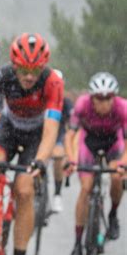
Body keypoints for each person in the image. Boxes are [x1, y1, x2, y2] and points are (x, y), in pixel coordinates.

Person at [0, 32, 64, 255]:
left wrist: (41, 160)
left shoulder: (52, 82)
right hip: (8, 128)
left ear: (42, 68)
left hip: (36, 136)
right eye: (24, 69)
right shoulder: (3, 76)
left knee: (25, 189)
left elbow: (52, 129)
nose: (29, 76)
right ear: (15, 65)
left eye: (35, 70)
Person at [65, 72, 127, 255]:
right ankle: (77, 243)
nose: (103, 102)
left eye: (108, 97)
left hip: (112, 143)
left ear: (113, 97)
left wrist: (123, 164)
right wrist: (72, 159)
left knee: (117, 178)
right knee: (85, 188)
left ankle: (113, 214)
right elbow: (70, 135)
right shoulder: (83, 105)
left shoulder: (122, 108)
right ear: (92, 97)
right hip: (89, 142)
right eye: (99, 98)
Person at [50, 70, 73, 213]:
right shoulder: (42, 96)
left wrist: (68, 153)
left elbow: (71, 128)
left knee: (58, 156)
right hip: (41, 133)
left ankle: (57, 193)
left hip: (59, 134)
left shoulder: (67, 103)